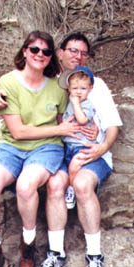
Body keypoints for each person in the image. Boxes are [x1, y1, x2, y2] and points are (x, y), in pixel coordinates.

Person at [0, 32, 122, 267]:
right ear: (59, 53)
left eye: (83, 52)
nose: (78, 56)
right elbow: (22, 84)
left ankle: (94, 256)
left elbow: (113, 125)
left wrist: (101, 147)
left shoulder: (95, 84)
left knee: (81, 185)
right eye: (72, 50)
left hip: (92, 151)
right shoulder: (53, 82)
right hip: (62, 151)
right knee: (54, 185)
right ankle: (56, 253)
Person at [0, 30, 81, 267]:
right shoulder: (8, 82)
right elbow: (18, 132)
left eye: (45, 51)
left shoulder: (57, 86)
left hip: (46, 148)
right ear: (25, 51)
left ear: (51, 56)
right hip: (11, 146)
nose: (40, 54)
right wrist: (59, 130)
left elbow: (65, 116)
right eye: (34, 49)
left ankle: (29, 245)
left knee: (26, 187)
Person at [58, 66, 97, 210]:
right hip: (68, 144)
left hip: (81, 145)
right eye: (75, 89)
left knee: (74, 165)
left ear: (90, 89)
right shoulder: (69, 103)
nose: (78, 92)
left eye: (83, 88)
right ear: (69, 89)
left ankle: (71, 188)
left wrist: (75, 103)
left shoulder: (87, 104)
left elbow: (81, 120)